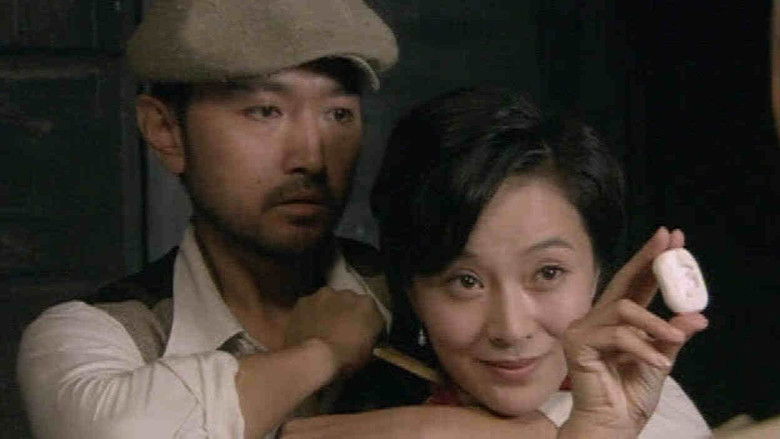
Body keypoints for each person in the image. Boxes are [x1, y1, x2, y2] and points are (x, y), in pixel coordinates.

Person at [17, 1, 400, 438]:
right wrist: (322, 354)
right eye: (265, 111)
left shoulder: (416, 296)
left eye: (338, 114)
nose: (311, 158)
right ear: (165, 130)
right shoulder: (103, 335)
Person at [282, 87, 711, 438]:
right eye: (465, 281)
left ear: (598, 270)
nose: (510, 329)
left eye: (548, 273)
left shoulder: (658, 414)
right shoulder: (353, 418)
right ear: (411, 287)